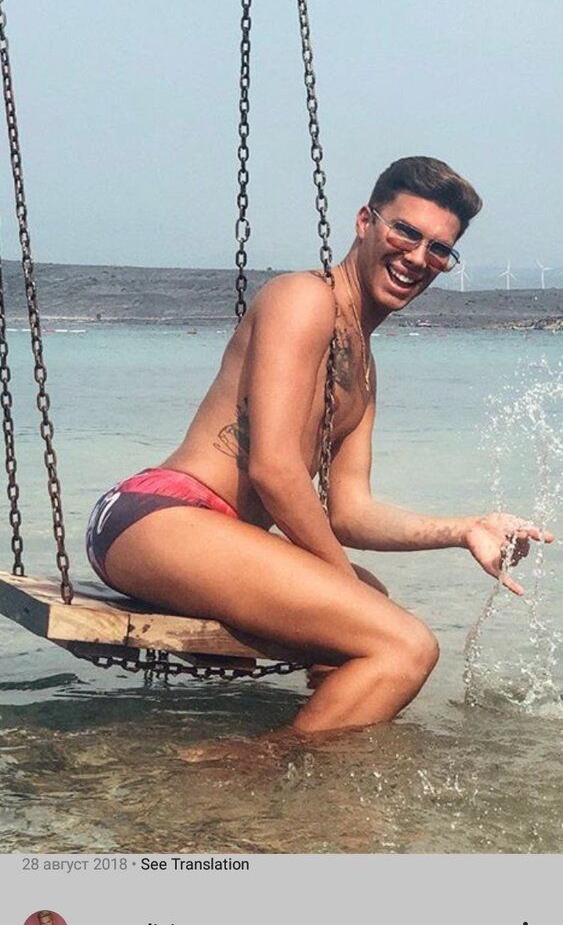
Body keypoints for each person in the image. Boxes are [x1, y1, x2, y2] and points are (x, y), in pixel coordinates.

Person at [86, 156, 553, 738]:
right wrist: (344, 587)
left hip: (215, 533)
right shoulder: (303, 297)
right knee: (403, 644)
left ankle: (307, 775)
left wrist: (462, 529)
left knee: (375, 605)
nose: (417, 258)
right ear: (365, 221)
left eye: (439, 249)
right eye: (405, 232)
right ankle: (262, 765)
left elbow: (349, 512)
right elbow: (275, 469)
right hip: (156, 516)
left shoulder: (364, 369)